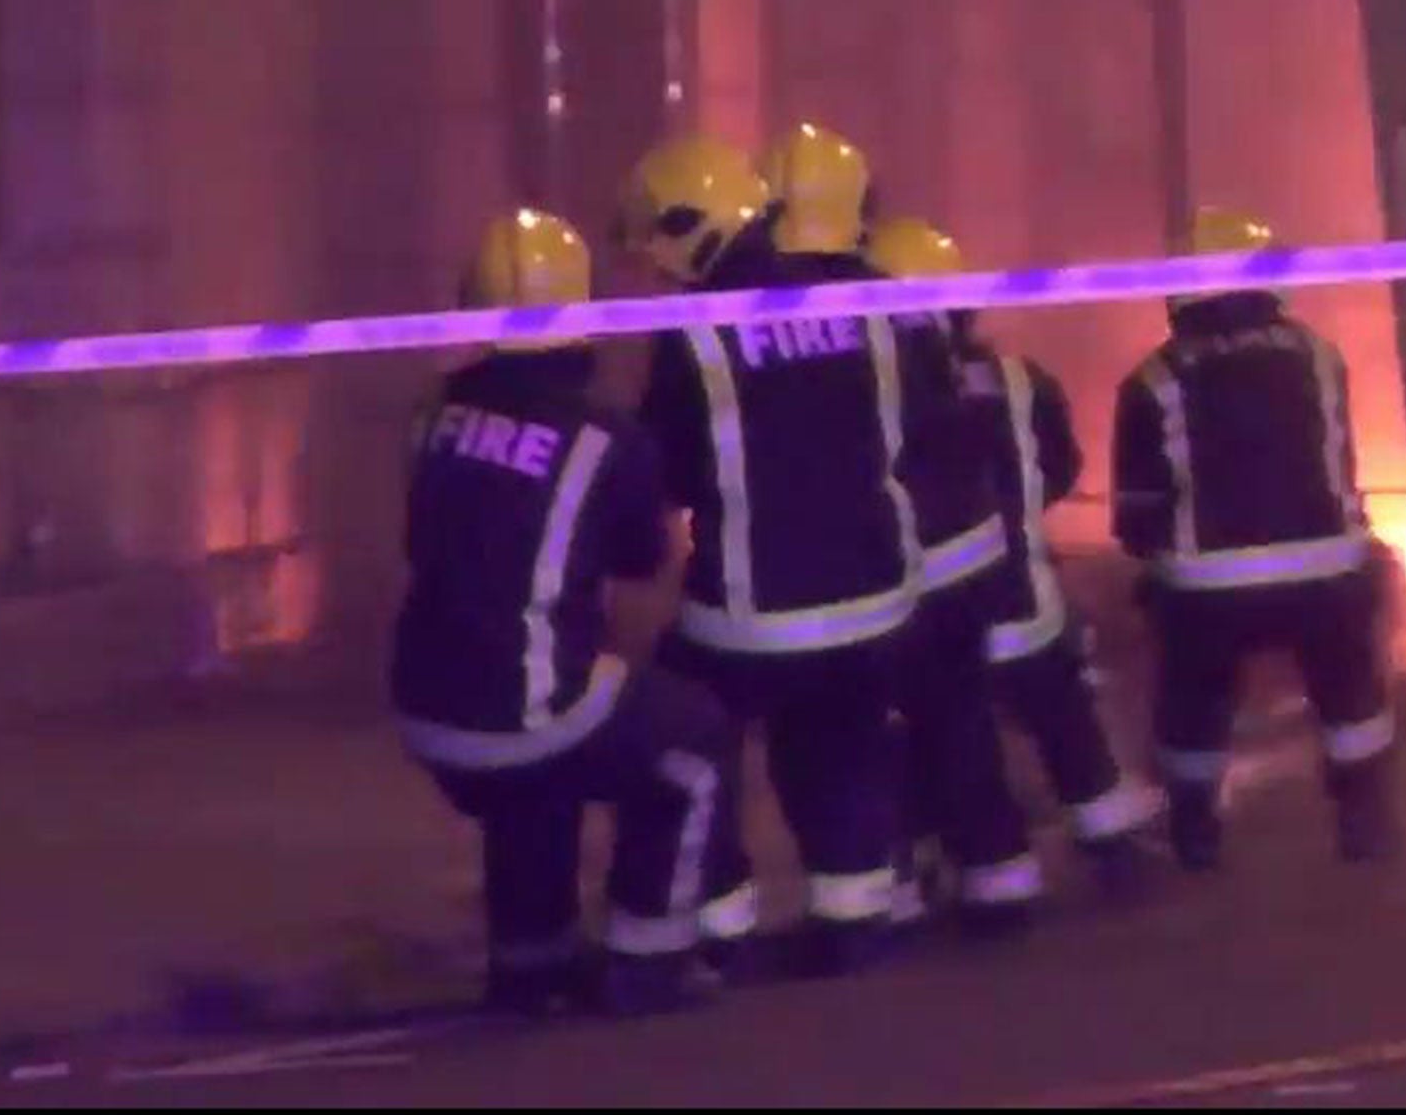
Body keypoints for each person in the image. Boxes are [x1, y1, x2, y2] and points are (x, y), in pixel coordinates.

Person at [391, 209, 738, 1017]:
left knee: (537, 769)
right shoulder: (606, 437)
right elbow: (642, 560)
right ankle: (649, 958)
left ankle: (530, 958)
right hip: (526, 701)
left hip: (426, 703)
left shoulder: (431, 418)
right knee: (692, 742)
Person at [620, 133, 922, 977]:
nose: (652, 265)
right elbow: (927, 419)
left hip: (751, 615)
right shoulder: (873, 299)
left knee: (687, 727)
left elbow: (667, 469)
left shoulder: (695, 332)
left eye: (657, 241)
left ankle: (721, 928)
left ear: (696, 228)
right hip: (875, 599)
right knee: (844, 742)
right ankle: (857, 918)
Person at [760, 126, 1043, 934]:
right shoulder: (888, 303)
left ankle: (894, 886)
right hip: (965, 552)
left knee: (870, 727)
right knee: (956, 720)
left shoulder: (773, 317)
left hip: (891, 563)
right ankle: (1001, 879)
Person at [865, 217, 1163, 888]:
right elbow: (1056, 470)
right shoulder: (1023, 380)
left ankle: (948, 866)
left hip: (926, 621)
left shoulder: (865, 393)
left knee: (933, 738)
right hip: (1026, 604)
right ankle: (1111, 839)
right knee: (1063, 718)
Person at [1112, 207, 1399, 870]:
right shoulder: (1318, 355)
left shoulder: (1153, 379)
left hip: (1207, 584)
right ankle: (1364, 813)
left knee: (1194, 694)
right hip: (1326, 567)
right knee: (1348, 684)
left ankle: (1194, 824)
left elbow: (1138, 512)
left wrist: (1153, 564)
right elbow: (1338, 460)